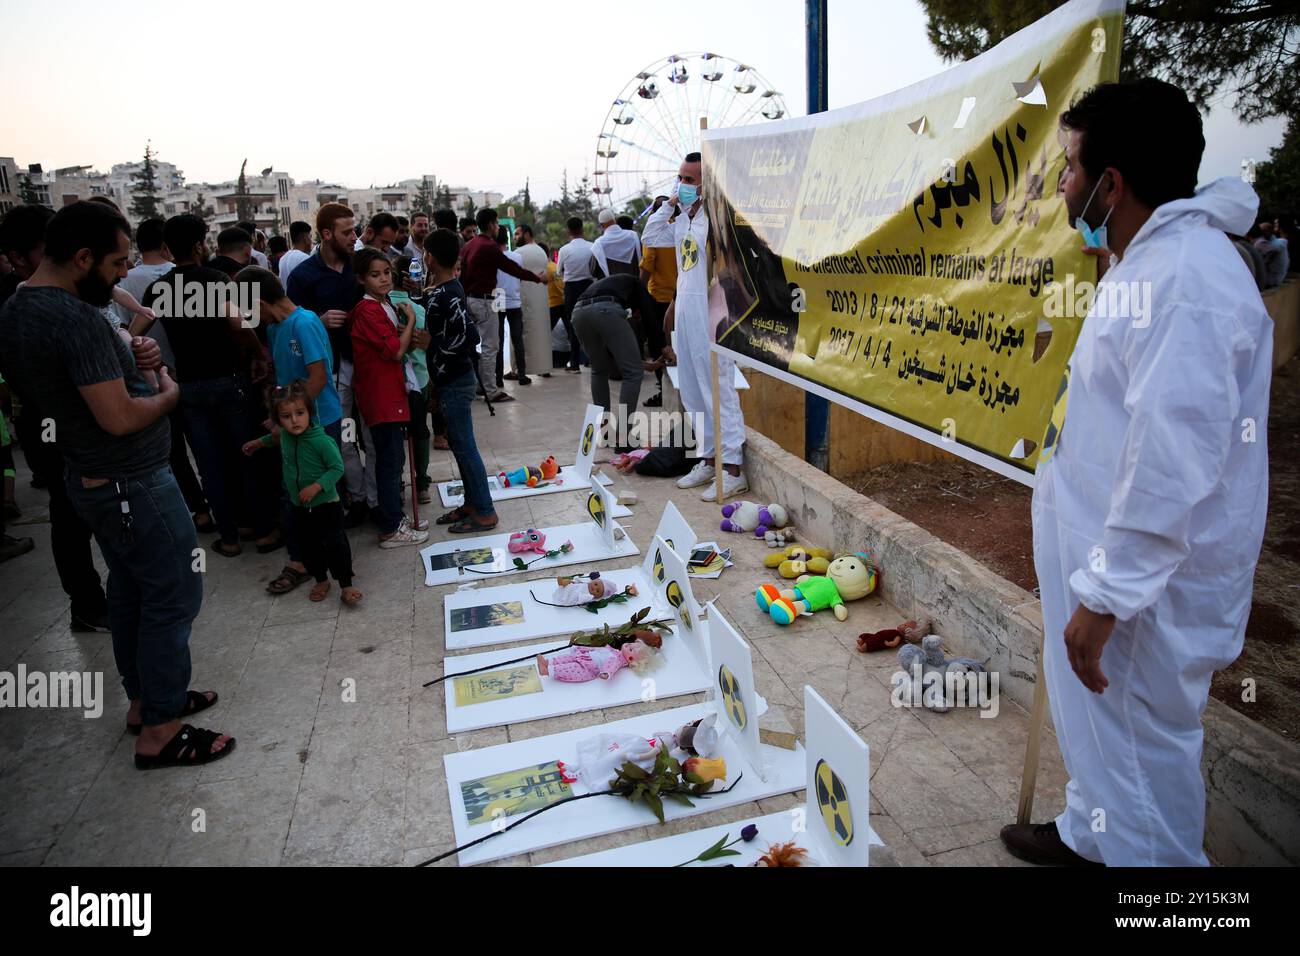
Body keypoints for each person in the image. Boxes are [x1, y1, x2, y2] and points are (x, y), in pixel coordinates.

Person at [999, 78, 1272, 867]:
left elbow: (1171, 459)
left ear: (1111, 184)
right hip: (1112, 571)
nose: (1062, 185)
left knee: (1141, 770)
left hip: (1143, 597)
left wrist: (1109, 596)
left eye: (1071, 169)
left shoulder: (1182, 282)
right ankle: (1090, 835)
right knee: (1108, 745)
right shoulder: (1148, 264)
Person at [0, 201, 233, 768]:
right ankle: (162, 730)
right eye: (117, 263)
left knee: (130, 589)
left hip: (94, 478)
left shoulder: (20, 307)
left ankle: (148, 702)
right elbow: (120, 416)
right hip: (132, 481)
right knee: (173, 594)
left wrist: (132, 350)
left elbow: (86, 380)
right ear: (83, 258)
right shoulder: (72, 317)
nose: (125, 273)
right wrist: (168, 394)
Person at [0, 202, 112, 628]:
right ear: (19, 256)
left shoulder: (69, 294)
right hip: (54, 427)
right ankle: (87, 604)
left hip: (77, 424)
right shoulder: (20, 303)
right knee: (70, 516)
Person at [140, 214, 275, 557]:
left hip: (189, 387)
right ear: (200, 245)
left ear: (168, 248)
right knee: (246, 455)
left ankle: (229, 538)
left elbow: (133, 330)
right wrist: (258, 355)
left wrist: (157, 364)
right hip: (230, 380)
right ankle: (262, 531)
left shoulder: (160, 289)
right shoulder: (217, 280)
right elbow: (240, 324)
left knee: (210, 465)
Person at [643, 152, 748, 500]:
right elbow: (650, 234)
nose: (682, 185)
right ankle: (708, 458)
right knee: (690, 388)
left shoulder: (715, 221)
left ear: (706, 184)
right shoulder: (680, 220)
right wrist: (670, 205)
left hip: (711, 312)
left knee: (717, 386)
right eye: (680, 178)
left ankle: (732, 468)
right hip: (685, 311)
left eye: (689, 180)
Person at [121, 218, 212, 533]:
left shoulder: (126, 281)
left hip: (156, 379)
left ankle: (200, 510)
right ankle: (225, 506)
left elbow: (128, 334)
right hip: (196, 373)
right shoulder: (197, 275)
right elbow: (239, 324)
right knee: (207, 446)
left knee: (175, 452)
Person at [286, 203, 371, 534]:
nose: (354, 237)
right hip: (331, 374)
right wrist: (318, 323)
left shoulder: (361, 267)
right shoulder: (302, 276)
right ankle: (357, 499)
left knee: (374, 436)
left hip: (367, 366)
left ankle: (378, 498)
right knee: (343, 439)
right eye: (347, 232)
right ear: (326, 234)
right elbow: (291, 328)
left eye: (355, 230)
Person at [244, 381, 360, 606]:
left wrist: (316, 486)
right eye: (286, 416)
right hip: (300, 506)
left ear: (310, 412)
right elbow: (274, 438)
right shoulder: (285, 436)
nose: (294, 420)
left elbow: (337, 468)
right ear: (278, 420)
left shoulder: (321, 441)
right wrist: (259, 443)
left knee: (335, 544)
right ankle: (321, 580)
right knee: (308, 546)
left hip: (327, 505)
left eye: (300, 413)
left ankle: (346, 584)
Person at [348, 247, 429, 548]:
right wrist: (411, 320)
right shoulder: (368, 310)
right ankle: (391, 527)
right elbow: (395, 350)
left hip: (392, 390)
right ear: (361, 279)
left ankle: (395, 518)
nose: (383, 279)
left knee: (394, 459)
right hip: (380, 394)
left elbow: (401, 347)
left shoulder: (384, 305)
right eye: (375, 275)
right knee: (389, 460)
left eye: (386, 273)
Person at [424, 228, 498, 534]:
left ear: (429, 257)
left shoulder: (449, 293)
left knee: (465, 446)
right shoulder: (442, 290)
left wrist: (433, 343)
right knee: (458, 443)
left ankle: (485, 511)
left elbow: (470, 335)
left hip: (456, 380)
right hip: (448, 379)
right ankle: (471, 503)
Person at [458, 208, 545, 403]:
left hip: (470, 299)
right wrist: (537, 278)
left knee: (477, 346)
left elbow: (461, 272)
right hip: (485, 300)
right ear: (490, 224)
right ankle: (491, 390)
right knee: (490, 346)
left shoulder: (469, 246)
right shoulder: (489, 246)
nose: (498, 227)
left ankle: (480, 385)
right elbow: (511, 268)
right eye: (497, 223)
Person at [570, 272, 655, 439]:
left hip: (578, 312)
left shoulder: (615, 285)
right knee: (633, 373)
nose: (636, 318)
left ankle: (605, 432)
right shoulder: (638, 287)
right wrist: (661, 349)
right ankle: (624, 435)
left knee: (598, 370)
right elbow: (651, 320)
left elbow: (614, 348)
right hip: (605, 310)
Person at [638, 197, 676, 407]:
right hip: (679, 296)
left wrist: (638, 293)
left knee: (660, 346)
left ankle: (664, 392)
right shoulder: (679, 229)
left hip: (659, 298)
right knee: (677, 346)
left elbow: (648, 264)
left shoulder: (655, 235)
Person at [514, 224, 552, 381]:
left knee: (522, 334)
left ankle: (519, 369)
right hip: (541, 301)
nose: (515, 237)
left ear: (527, 234)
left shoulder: (518, 253)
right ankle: (544, 366)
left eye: (517, 234)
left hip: (523, 299)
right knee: (541, 332)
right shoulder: (541, 252)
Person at [556, 216, 594, 371]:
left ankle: (574, 363)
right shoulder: (592, 246)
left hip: (571, 289)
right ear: (582, 229)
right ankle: (593, 359)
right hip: (589, 287)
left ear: (568, 231)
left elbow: (558, 271)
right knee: (591, 323)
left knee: (573, 325)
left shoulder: (564, 250)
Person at [495, 226, 529, 386]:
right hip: (514, 300)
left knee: (498, 341)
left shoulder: (492, 257)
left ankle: (498, 378)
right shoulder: (518, 257)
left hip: (497, 299)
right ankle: (522, 375)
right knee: (518, 340)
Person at [591, 207, 641, 278]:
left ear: (601, 225)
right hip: (636, 282)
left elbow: (593, 271)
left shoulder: (598, 245)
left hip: (613, 284)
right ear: (615, 220)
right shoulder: (634, 236)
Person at [541, 241, 565, 376]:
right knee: (572, 334)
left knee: (545, 336)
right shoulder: (555, 266)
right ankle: (577, 364)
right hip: (563, 302)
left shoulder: (545, 269)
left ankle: (545, 368)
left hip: (553, 304)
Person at [1253, 220, 1290, 289]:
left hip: (1273, 280)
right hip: (1272, 279)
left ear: (1270, 231)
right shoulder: (1271, 243)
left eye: (1264, 230)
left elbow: (1274, 248)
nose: (1262, 232)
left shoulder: (1278, 243)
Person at [277, 220, 313, 285]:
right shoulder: (304, 259)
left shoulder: (283, 259)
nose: (311, 241)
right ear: (305, 237)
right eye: (310, 237)